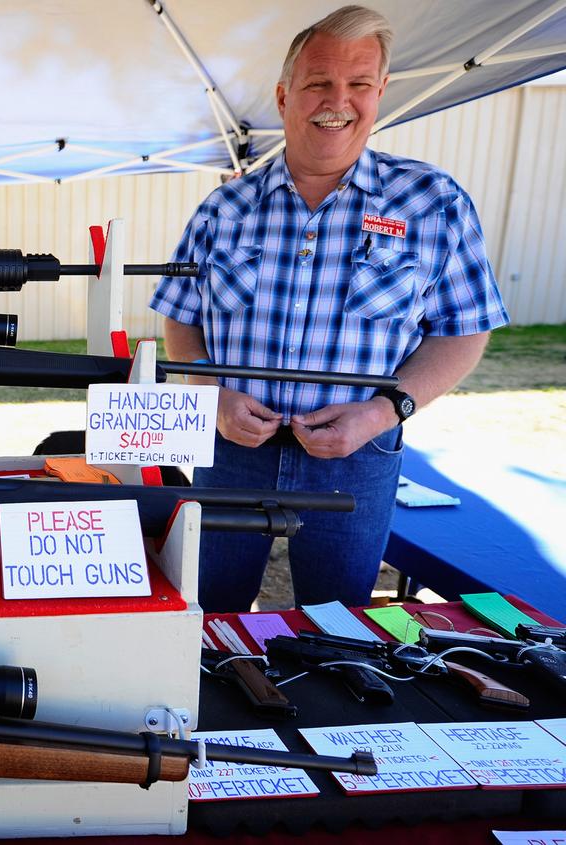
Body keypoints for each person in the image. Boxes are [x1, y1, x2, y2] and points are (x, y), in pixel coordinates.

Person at [149, 5, 508, 612]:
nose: (337, 100)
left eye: (358, 84)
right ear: (285, 95)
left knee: (339, 626)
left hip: (360, 454)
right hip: (231, 450)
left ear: (381, 93)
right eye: (318, 83)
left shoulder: (431, 201)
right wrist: (208, 393)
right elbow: (181, 314)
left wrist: (380, 412)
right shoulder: (225, 208)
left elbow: (463, 331)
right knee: (207, 616)